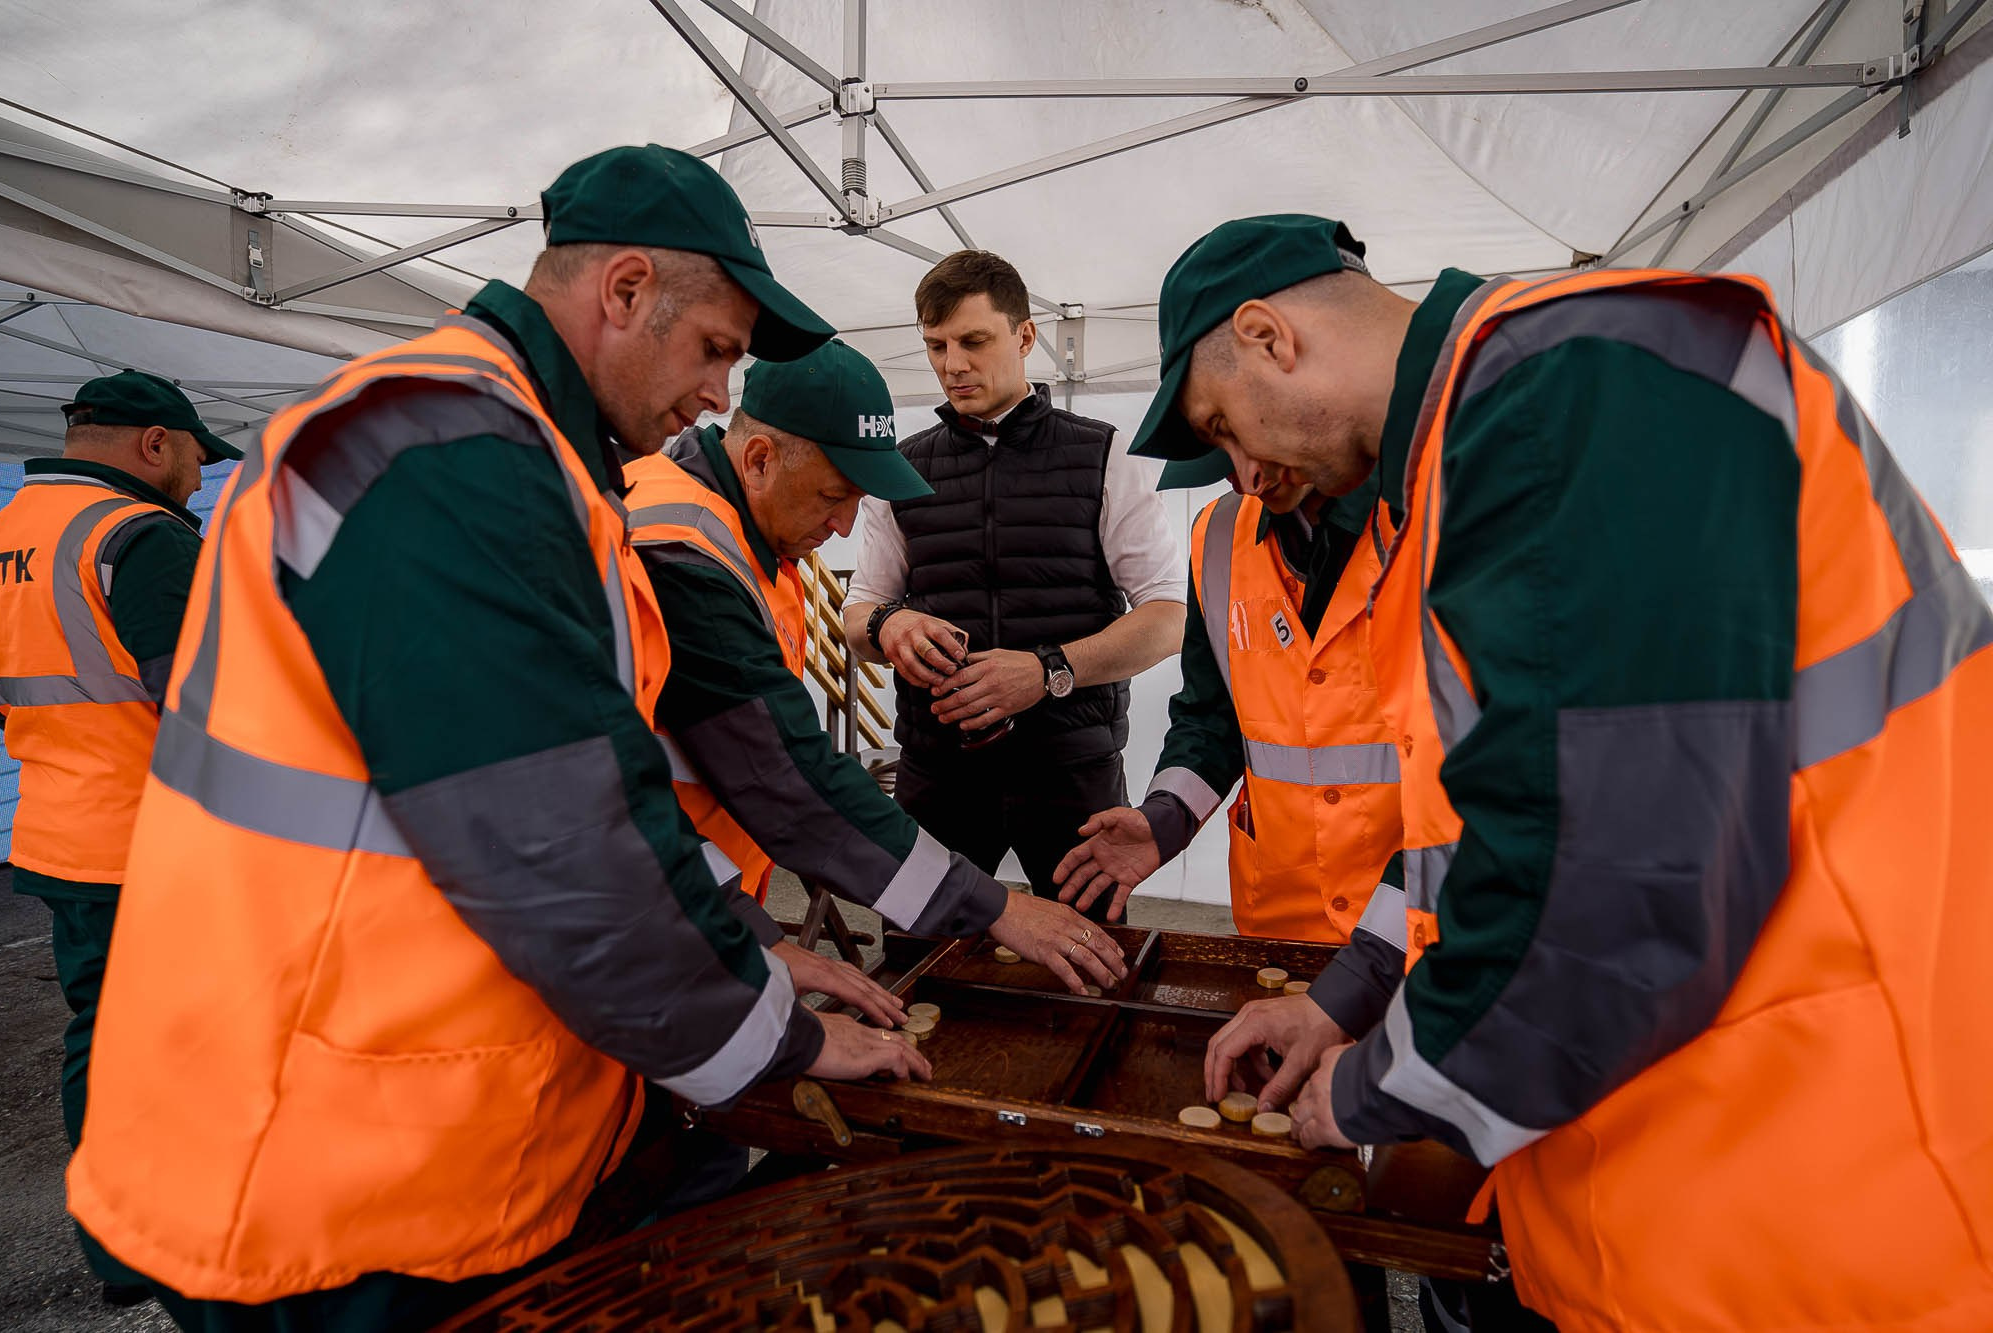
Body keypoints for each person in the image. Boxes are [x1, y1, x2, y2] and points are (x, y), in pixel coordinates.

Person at [65, 145, 945, 1333]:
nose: (718, 395)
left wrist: (746, 943)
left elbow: (608, 780)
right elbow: (557, 834)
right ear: (624, 290)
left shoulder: (535, 462)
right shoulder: (443, 447)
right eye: (713, 350)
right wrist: (769, 1034)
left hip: (399, 1118)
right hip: (324, 1164)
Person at [1132, 215, 1993, 1332]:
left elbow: (1606, 880)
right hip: (1668, 1186)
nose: (1245, 475)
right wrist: (1338, 1004)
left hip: (1814, 1213)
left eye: (1224, 425)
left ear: (1267, 337)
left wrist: (1370, 1086)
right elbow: (1481, 832)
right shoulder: (1471, 457)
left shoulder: (1567, 392)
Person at [622, 338, 1128, 996]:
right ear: (759, 459)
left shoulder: (737, 526)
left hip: (683, 898)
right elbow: (789, 783)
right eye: (833, 495)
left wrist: (747, 932)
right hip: (640, 925)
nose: (843, 526)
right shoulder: (685, 555)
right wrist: (994, 907)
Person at [0, 370, 239, 1305]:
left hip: (56, 839)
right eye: (195, 458)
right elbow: (213, 706)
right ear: (154, 443)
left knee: (99, 1038)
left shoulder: (6, 536)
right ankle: (186, 1232)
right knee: (194, 1044)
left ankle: (121, 1249)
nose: (198, 479)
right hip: (154, 845)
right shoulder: (139, 534)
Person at [844, 250, 1186, 917]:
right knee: (922, 950)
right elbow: (858, 618)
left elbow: (1169, 615)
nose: (953, 364)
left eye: (973, 341)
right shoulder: (900, 470)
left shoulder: (1104, 454)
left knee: (1088, 951)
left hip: (1070, 770)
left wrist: (1047, 670)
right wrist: (890, 624)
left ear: (1025, 336)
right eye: (936, 346)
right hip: (938, 771)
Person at [1051, 443, 1405, 945]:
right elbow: (1210, 715)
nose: (1243, 479)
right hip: (1281, 911)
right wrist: (1167, 817)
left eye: (1245, 440)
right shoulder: (1219, 533)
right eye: (1219, 450)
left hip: (1418, 917)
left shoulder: (1429, 522)